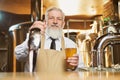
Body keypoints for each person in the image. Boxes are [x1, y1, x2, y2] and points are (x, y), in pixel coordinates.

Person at [15, 7, 84, 72]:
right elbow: (18, 56)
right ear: (45, 22)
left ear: (63, 24)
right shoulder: (35, 38)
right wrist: (32, 37)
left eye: (59, 19)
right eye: (51, 18)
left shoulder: (70, 44)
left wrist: (75, 67)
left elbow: (81, 70)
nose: (55, 21)